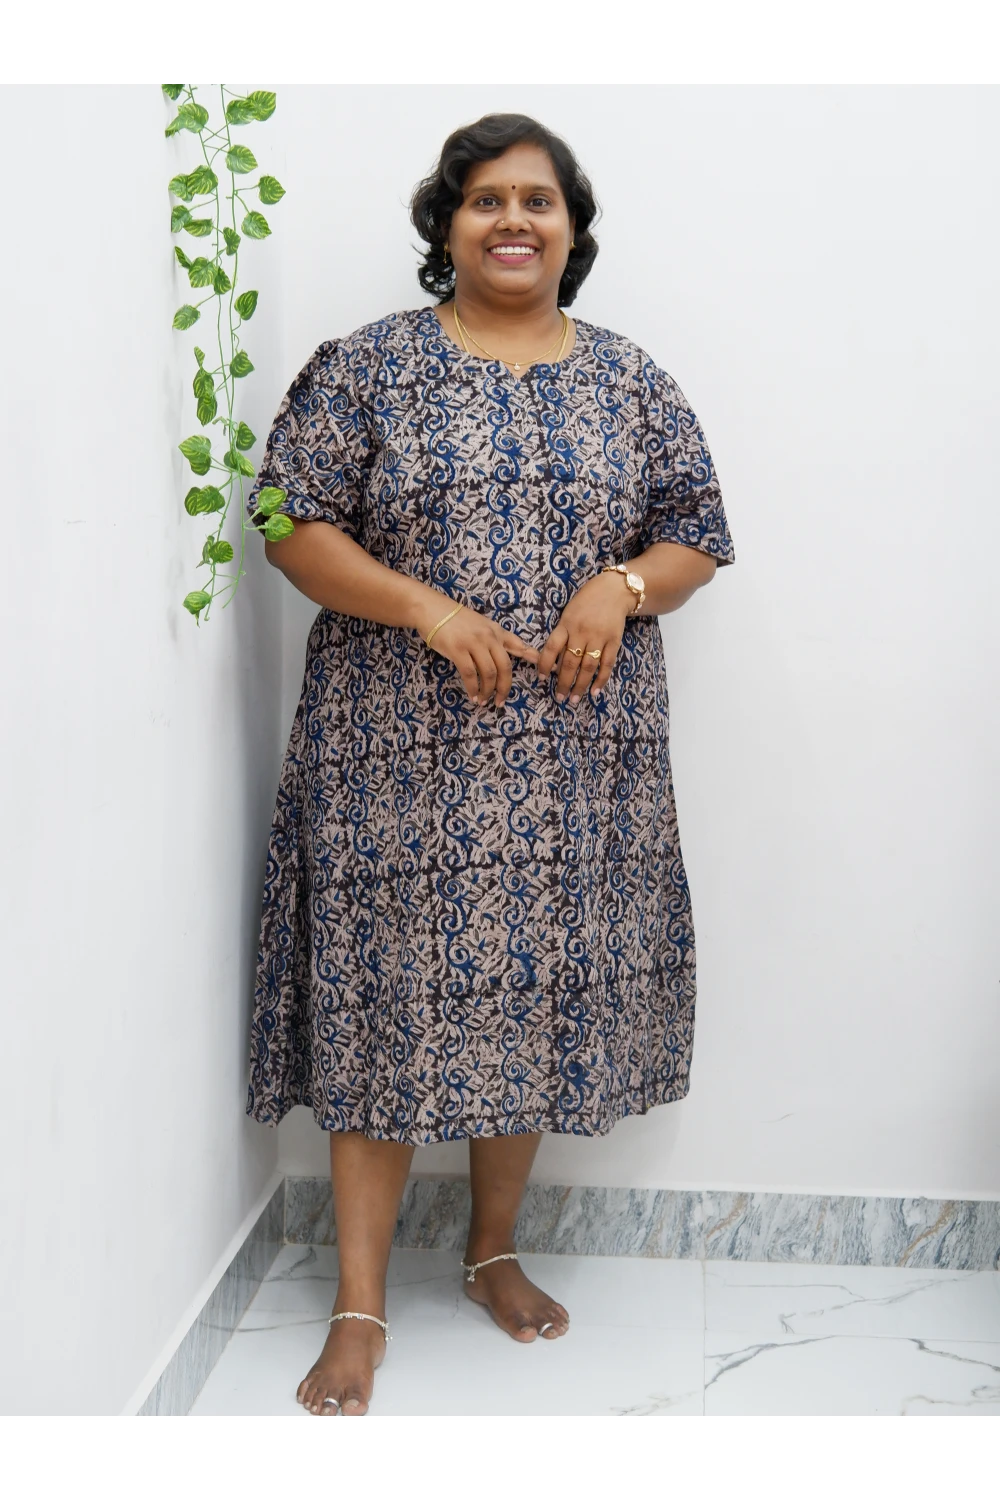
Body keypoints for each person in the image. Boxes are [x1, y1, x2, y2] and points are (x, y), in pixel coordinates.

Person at [247, 112, 734, 1416]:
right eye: (485, 200)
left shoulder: (631, 379)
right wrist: (426, 608)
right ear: (447, 226)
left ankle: (491, 1254)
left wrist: (621, 586)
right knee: (382, 1004)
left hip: (573, 759)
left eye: (538, 200)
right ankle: (359, 1307)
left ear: (571, 230)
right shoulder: (369, 367)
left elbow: (696, 532)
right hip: (393, 752)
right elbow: (287, 519)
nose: (513, 220)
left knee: (525, 992)